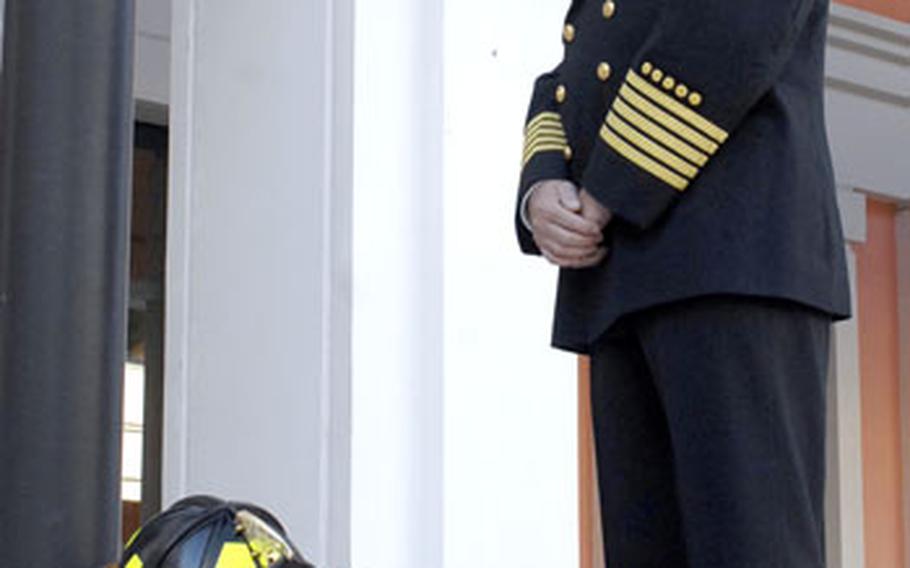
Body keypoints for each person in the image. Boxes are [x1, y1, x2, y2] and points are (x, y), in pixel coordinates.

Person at [513, 0, 851, 566]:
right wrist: (541, 183)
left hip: (731, 256)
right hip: (622, 272)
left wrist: (608, 186)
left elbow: (732, 27)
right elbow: (581, 59)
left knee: (751, 550)